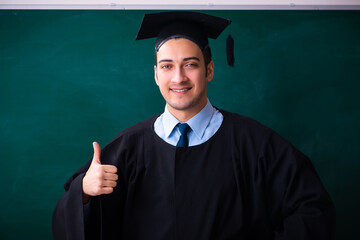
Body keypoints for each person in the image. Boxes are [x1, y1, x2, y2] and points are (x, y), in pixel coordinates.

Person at [52, 11, 336, 240]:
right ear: (155, 74)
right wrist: (84, 193)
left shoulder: (255, 145)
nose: (178, 77)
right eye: (166, 66)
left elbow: (311, 207)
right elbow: (72, 223)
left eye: (190, 64)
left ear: (209, 70)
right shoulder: (126, 149)